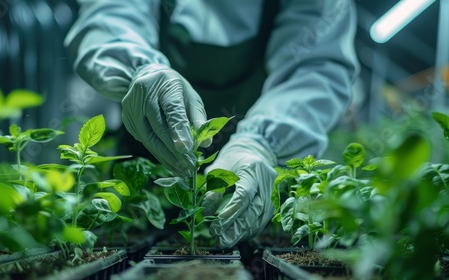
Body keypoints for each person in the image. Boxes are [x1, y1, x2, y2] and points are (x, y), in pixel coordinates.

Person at [64, 0, 359, 248]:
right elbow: (109, 14)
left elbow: (316, 66)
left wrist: (262, 142)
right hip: (152, 166)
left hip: (251, 174)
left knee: (244, 229)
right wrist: (141, 69)